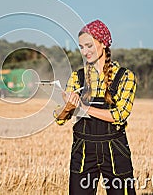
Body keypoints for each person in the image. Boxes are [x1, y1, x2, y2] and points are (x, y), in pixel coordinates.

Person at [55, 20, 137, 195]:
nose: (85, 52)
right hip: (83, 150)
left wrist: (83, 107)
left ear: (104, 43)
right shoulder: (77, 77)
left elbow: (119, 115)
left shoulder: (125, 77)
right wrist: (68, 107)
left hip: (115, 150)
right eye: (82, 47)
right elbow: (60, 119)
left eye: (89, 45)